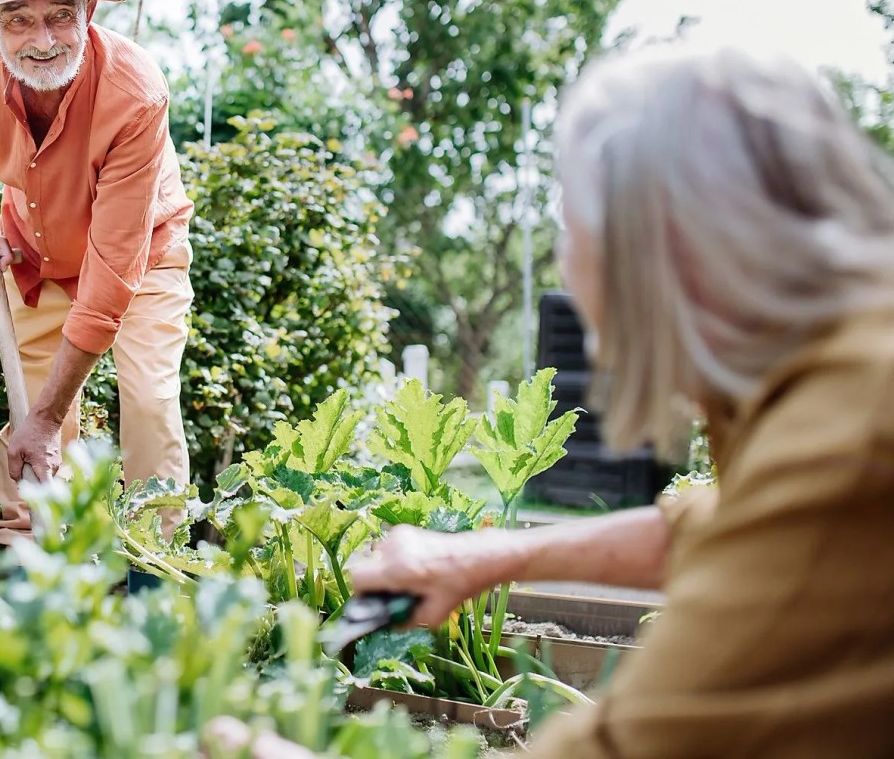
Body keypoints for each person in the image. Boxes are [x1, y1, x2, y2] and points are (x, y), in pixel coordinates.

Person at [216, 45, 894, 757]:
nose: (569, 272)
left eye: (574, 233)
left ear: (661, 252)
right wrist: (478, 559)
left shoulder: (848, 445)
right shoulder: (838, 375)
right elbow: (716, 531)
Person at [0, 0, 195, 559]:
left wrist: (46, 417)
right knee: (34, 409)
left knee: (148, 399)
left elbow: (113, 268)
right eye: (18, 20)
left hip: (140, 255)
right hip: (36, 251)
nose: (42, 41)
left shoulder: (135, 93)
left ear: (89, 11)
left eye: (60, 16)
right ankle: (27, 560)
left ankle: (154, 567)